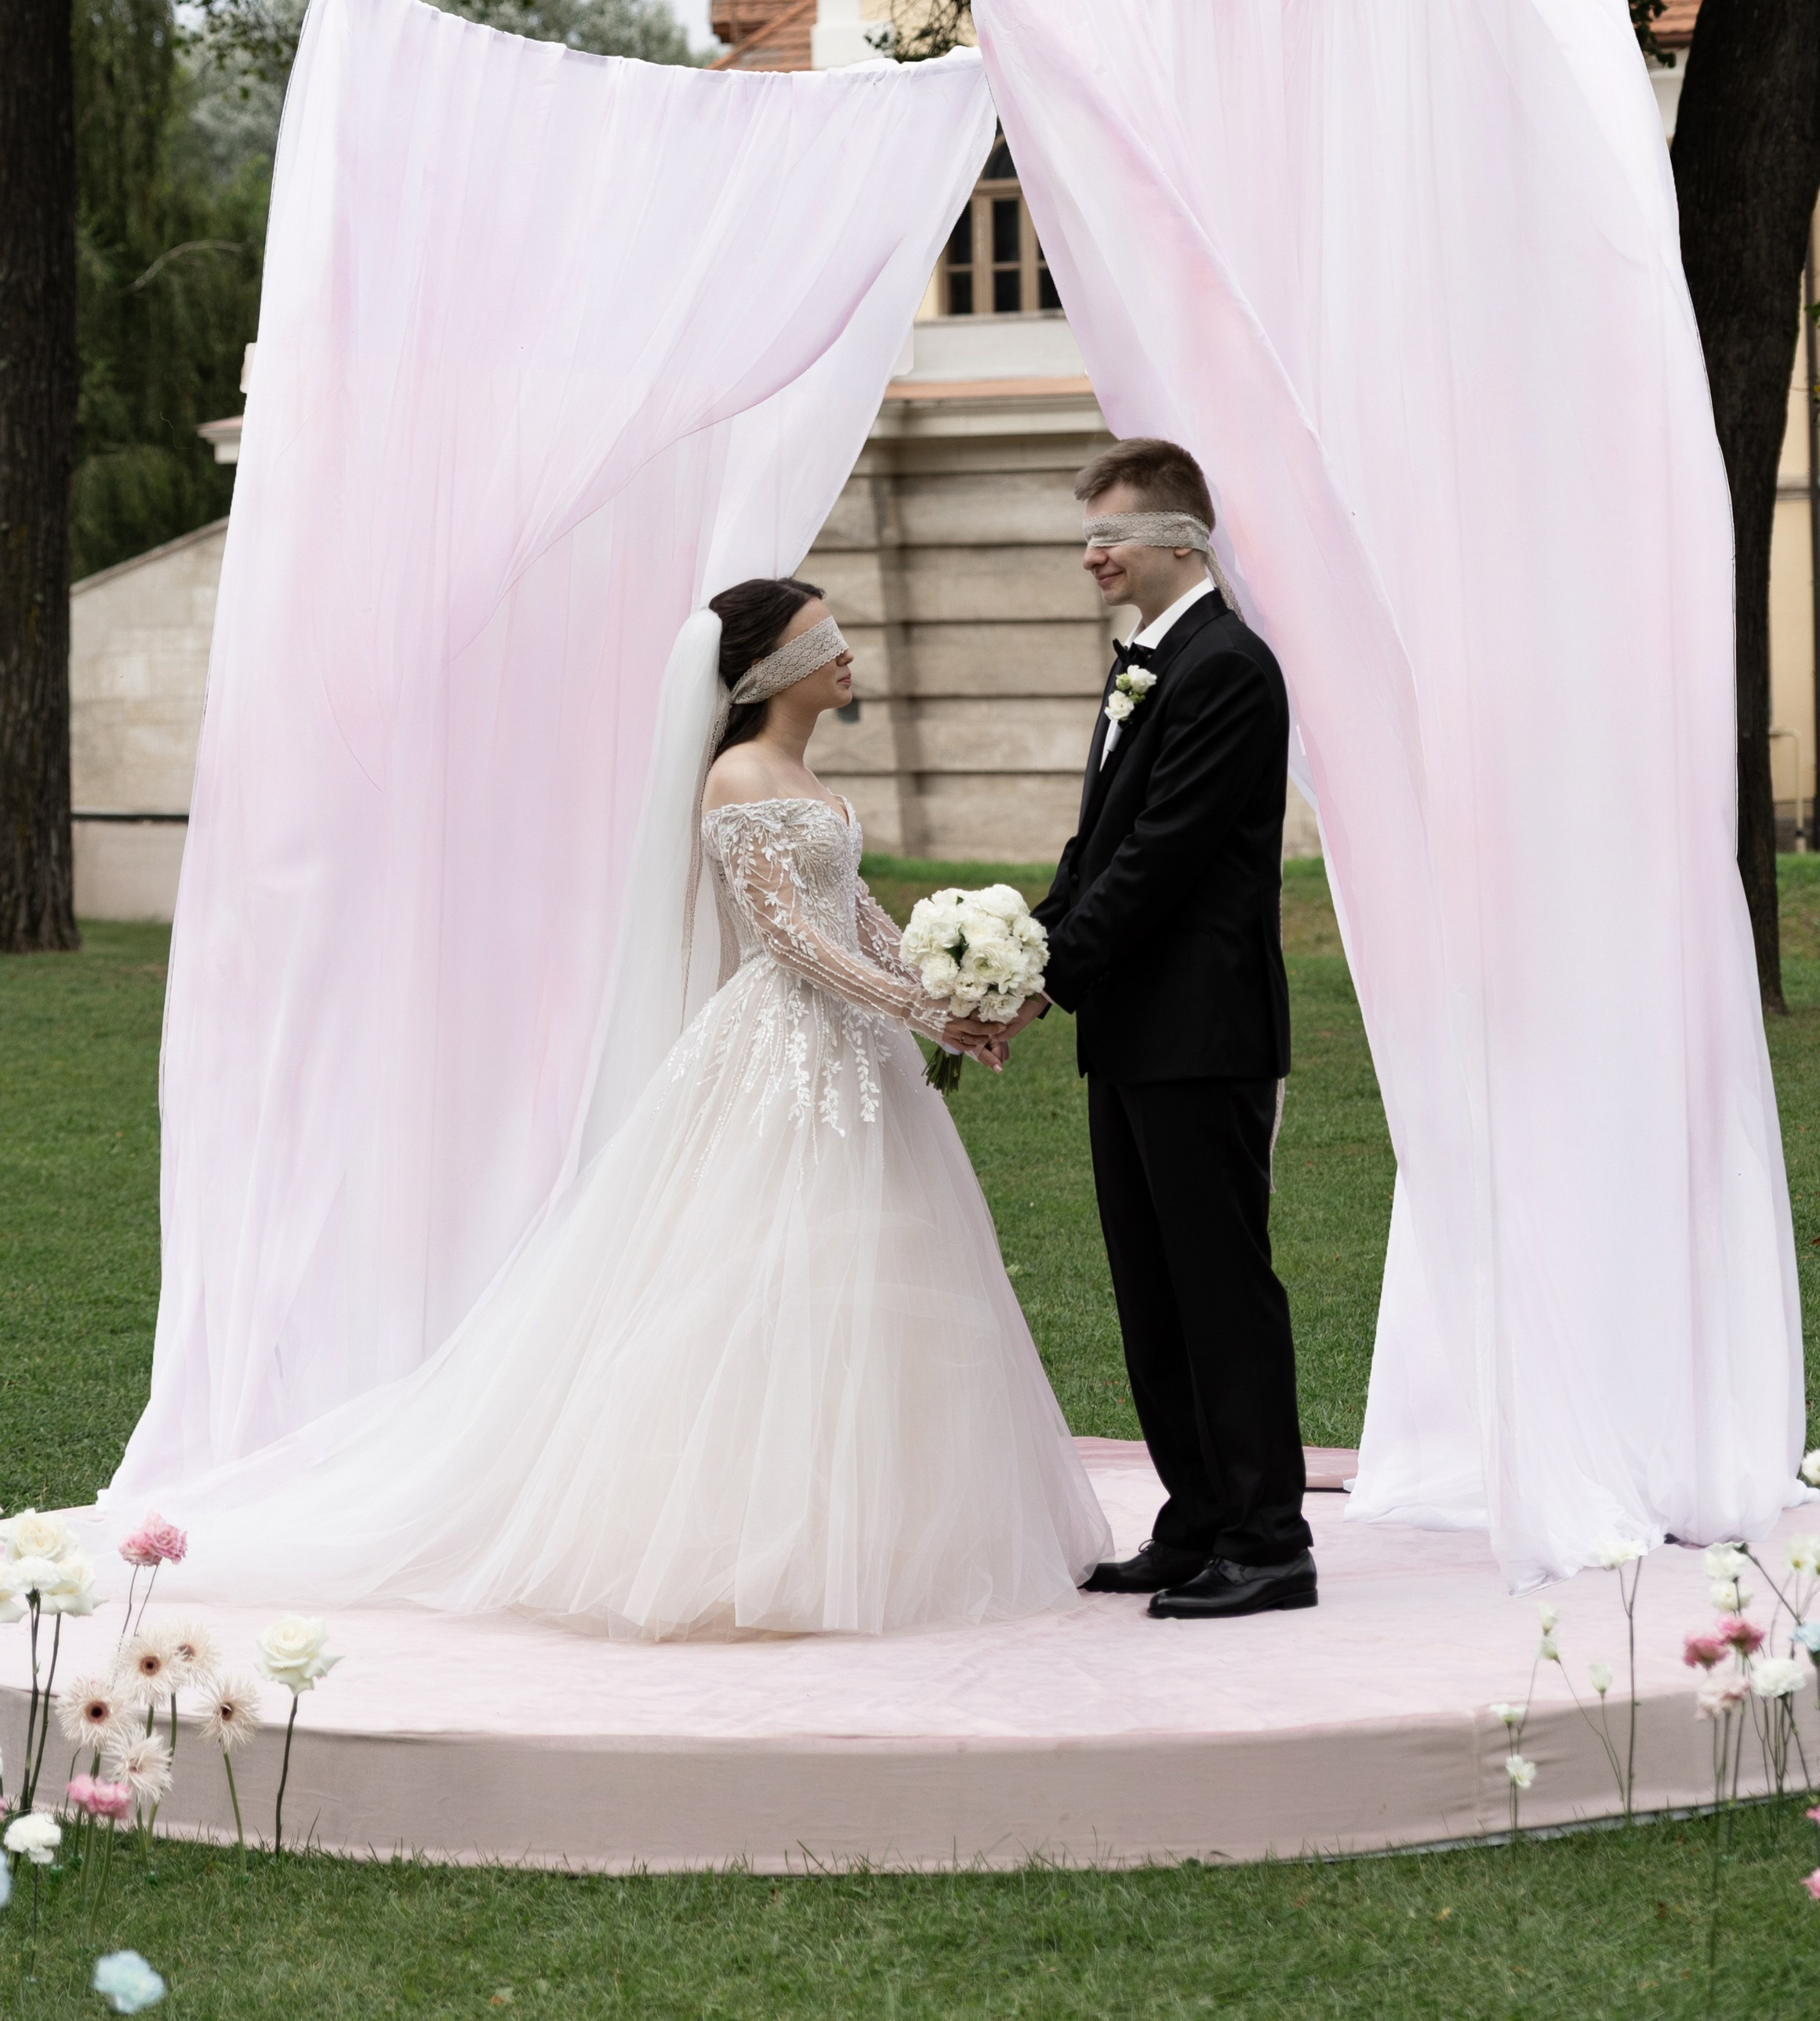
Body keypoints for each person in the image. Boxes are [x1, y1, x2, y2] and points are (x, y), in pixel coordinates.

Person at [125, 580, 1110, 1638]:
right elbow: (788, 939)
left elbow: (855, 913)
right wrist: (924, 1009)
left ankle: (864, 1521)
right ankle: (741, 1533)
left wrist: (959, 986)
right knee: (758, 1270)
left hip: (851, 1046)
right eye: (821, 638)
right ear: (771, 668)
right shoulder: (736, 776)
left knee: (868, 1267)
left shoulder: (804, 774)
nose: (846, 653)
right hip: (782, 1043)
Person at [1009, 438, 1313, 1621]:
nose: (1091, 552)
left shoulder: (1228, 668)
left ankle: (1270, 1541)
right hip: (1134, 1032)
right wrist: (1021, 956)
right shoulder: (1142, 663)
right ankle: (1196, 1522)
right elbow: (1096, 852)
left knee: (1220, 1290)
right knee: (1152, 1292)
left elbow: (1163, 860)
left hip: (1202, 1031)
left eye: (1109, 534)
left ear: (1179, 543)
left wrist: (1049, 979)